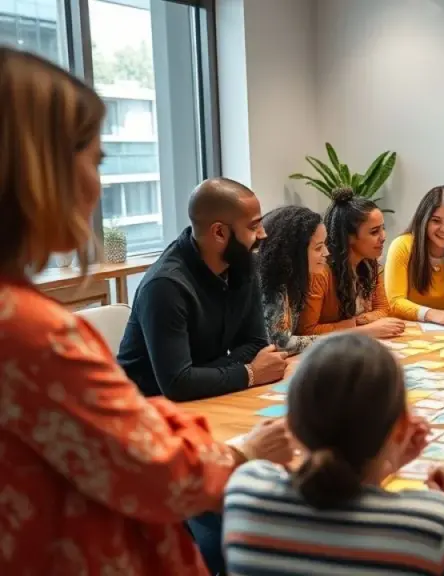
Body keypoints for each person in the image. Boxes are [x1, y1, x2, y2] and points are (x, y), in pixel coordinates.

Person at [0, 46, 292, 576]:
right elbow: (157, 469)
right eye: (95, 161)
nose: (98, 186)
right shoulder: (30, 331)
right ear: (38, 170)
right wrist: (245, 452)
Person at [222, 333, 444, 575]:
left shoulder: (245, 491)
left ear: (290, 426)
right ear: (400, 429)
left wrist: (388, 462)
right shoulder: (433, 525)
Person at [118, 177, 288, 401]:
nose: (263, 234)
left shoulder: (241, 263)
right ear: (219, 233)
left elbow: (255, 345)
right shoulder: (165, 286)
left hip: (203, 399)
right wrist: (250, 373)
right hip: (144, 406)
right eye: (253, 226)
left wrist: (203, 375)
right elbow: (178, 384)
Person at [296, 188, 405, 338]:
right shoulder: (320, 272)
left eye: (383, 228)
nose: (383, 236)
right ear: (349, 237)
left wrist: (362, 321)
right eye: (374, 232)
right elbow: (307, 332)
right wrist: (363, 328)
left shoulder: (370, 264)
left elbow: (383, 309)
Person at [384, 185, 444, 327]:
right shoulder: (402, 246)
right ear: (423, 220)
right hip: (404, 328)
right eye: (436, 221)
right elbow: (395, 302)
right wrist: (432, 315)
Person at [258, 205, 329, 355]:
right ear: (293, 252)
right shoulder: (273, 285)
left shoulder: (294, 280)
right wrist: (333, 341)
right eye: (318, 248)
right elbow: (280, 343)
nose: (326, 252)